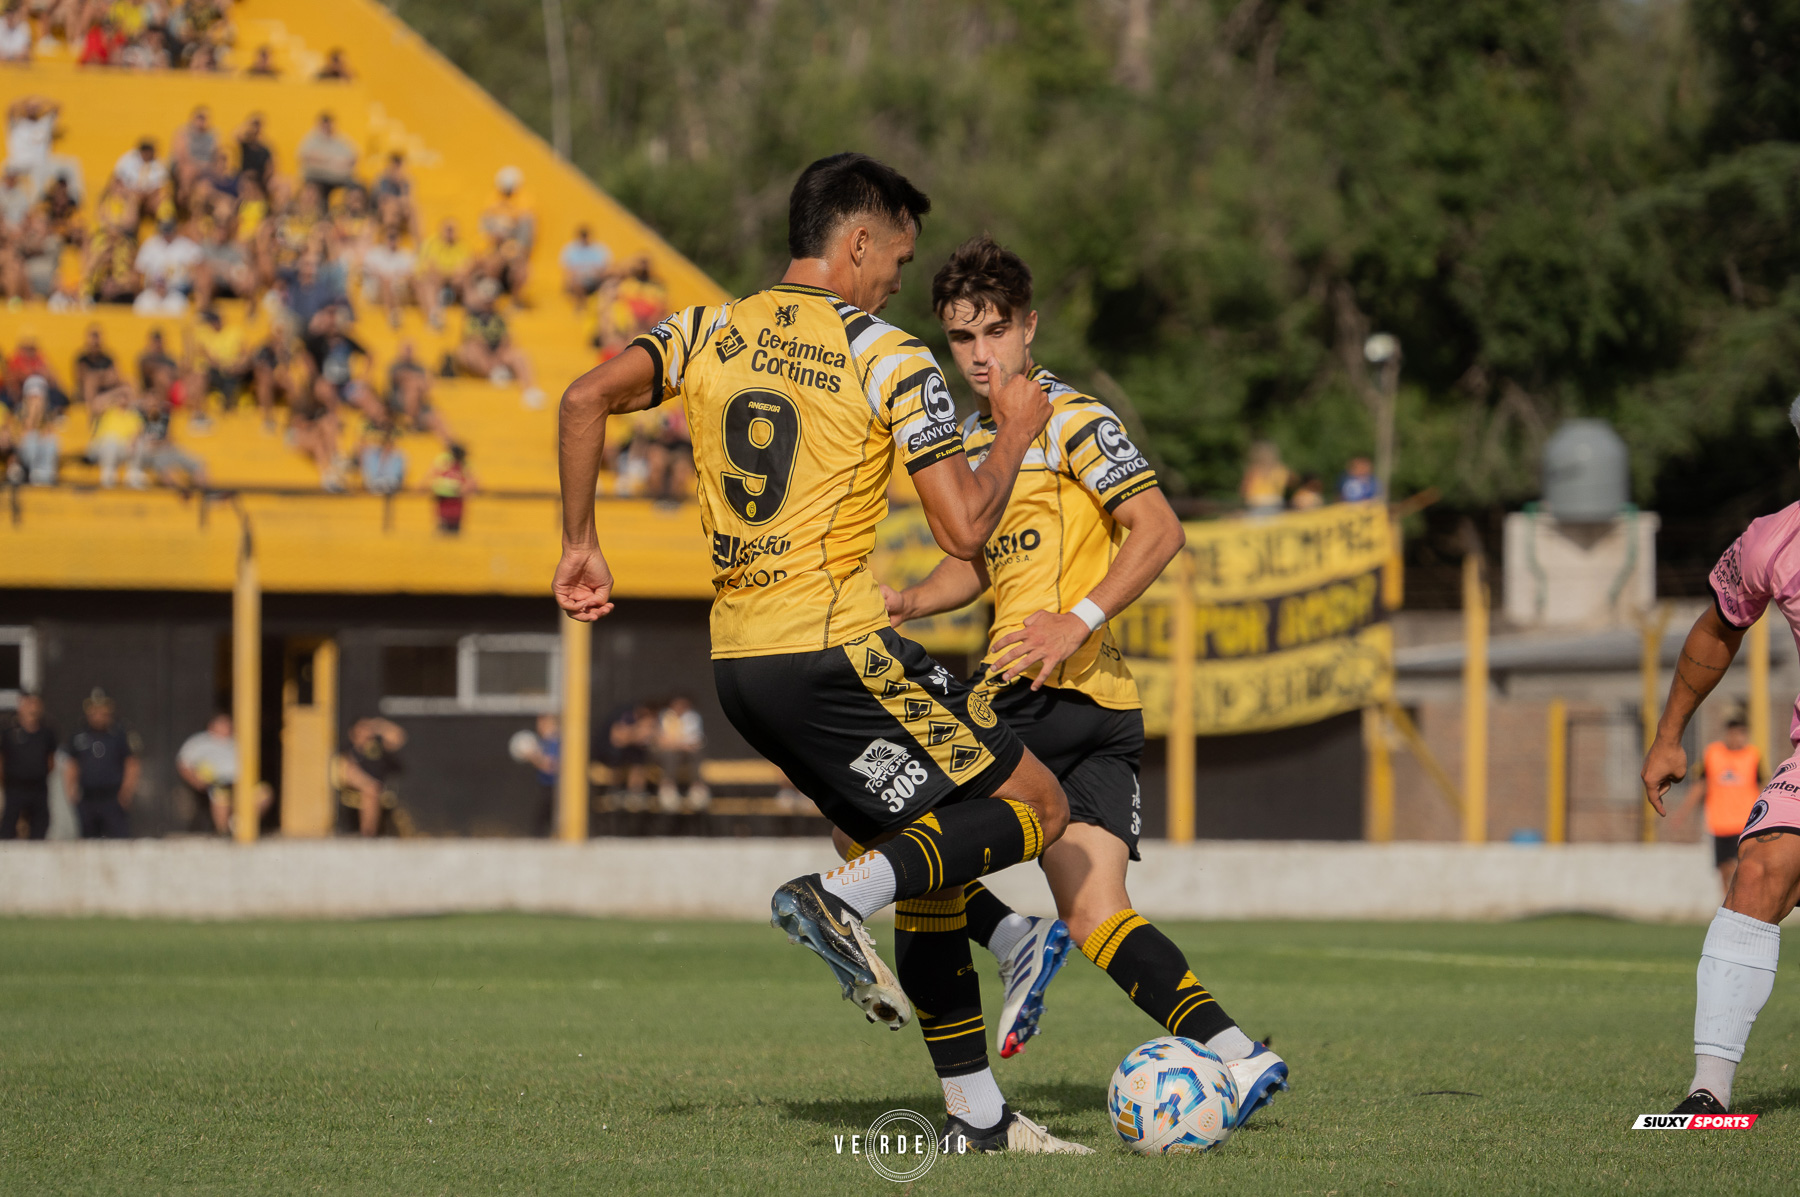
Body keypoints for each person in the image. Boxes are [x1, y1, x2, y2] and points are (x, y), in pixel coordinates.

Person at [554, 153, 1083, 1154]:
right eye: (896, 258)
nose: (896, 280)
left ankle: (980, 1117)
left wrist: (580, 543)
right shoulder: (886, 353)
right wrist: (1013, 432)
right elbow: (964, 530)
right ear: (856, 241)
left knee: (930, 868)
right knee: (1036, 808)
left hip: (741, 670)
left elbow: (583, 400)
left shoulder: (709, 326)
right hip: (834, 646)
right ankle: (840, 898)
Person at [866, 235, 1288, 1126]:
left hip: (1037, 688)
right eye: (960, 338)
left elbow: (1159, 530)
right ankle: (1239, 1054)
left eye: (993, 332)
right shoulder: (992, 440)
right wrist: (909, 598)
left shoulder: (1070, 418)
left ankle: (1008, 952)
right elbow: (980, 566)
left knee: (864, 808)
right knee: (1097, 911)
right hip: (1101, 708)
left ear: (1028, 327)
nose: (980, 355)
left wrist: (1075, 621)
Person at [1642, 398, 1800, 1117]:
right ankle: (1710, 1091)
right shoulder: (1774, 540)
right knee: (1758, 871)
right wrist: (1671, 731)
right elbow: (1716, 630)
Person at [1673, 718, 1763, 895]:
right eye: (1734, 733)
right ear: (1727, 734)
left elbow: (1761, 788)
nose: (1737, 738)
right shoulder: (1713, 754)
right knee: (1723, 870)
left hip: (1745, 822)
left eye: (1741, 734)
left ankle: (1739, 904)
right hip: (1719, 822)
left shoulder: (1753, 756)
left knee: (1737, 866)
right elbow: (1700, 785)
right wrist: (1682, 813)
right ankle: (1727, 906)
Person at [64, 688, 137, 839]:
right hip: (88, 798)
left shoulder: (119, 733)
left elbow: (132, 763)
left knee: (120, 841)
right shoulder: (79, 734)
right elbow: (72, 763)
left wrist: (126, 791)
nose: (98, 714)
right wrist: (71, 789)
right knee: (88, 842)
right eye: (94, 709)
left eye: (102, 709)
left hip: (112, 798)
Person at [176, 712, 254, 835]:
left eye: (228, 724)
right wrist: (196, 781)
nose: (227, 727)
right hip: (214, 782)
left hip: (240, 783)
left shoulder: (237, 741)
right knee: (220, 796)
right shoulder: (199, 742)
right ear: (212, 726)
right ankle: (223, 832)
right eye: (222, 724)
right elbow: (183, 764)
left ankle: (241, 825)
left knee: (263, 796)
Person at [335, 717, 406, 837]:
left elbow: (398, 737)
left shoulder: (377, 749)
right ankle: (368, 834)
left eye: (367, 729)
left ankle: (368, 834)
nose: (366, 733)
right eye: (362, 729)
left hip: (375, 788)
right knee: (370, 790)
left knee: (371, 792)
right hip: (356, 785)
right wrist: (367, 784)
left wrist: (379, 726)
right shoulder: (349, 750)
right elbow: (347, 771)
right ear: (353, 733)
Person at [0, 691, 56, 840]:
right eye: (28, 703)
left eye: (35, 703)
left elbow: (51, 760)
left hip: (38, 787)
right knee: (9, 824)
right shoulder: (9, 731)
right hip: (14, 787)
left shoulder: (46, 732)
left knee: (40, 824)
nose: (32, 708)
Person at [654, 696, 706, 814]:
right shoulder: (664, 716)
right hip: (667, 754)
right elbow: (661, 742)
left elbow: (696, 741)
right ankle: (668, 788)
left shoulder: (692, 717)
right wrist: (681, 744)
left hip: (686, 755)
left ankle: (697, 788)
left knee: (696, 753)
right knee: (670, 755)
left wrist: (675, 743)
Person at [515, 712, 560, 835]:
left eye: (542, 723)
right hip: (546, 786)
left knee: (544, 819)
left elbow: (551, 766)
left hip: (555, 787)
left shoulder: (555, 741)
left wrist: (533, 756)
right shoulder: (544, 742)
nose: (539, 726)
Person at [296, 112, 357, 201]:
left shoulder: (340, 139)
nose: (327, 127)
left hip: (339, 178)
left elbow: (354, 156)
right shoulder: (312, 139)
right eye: (324, 125)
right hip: (317, 178)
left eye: (329, 124)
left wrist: (327, 161)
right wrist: (333, 161)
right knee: (316, 190)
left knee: (357, 187)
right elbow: (304, 156)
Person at [559, 224, 612, 309]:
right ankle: (581, 306)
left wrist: (593, 274)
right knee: (576, 281)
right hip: (577, 281)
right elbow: (567, 269)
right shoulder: (571, 249)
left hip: (595, 280)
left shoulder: (599, 249)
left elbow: (605, 268)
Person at [426, 442, 473, 532]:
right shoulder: (444, 466)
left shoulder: (464, 468)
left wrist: (459, 489)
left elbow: (472, 484)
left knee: (453, 532)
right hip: (444, 508)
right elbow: (433, 482)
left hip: (456, 509)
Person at [1240, 440, 1291, 514]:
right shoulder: (1254, 471)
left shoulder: (1280, 470)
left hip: (1270, 505)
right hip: (1259, 505)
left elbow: (1244, 491)